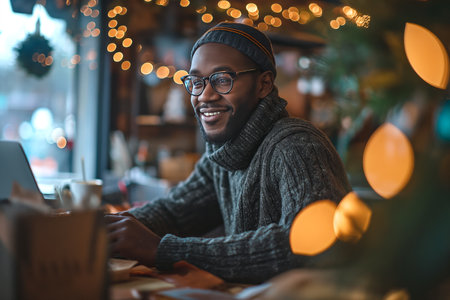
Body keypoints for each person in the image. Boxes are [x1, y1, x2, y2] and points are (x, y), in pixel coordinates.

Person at [105, 22, 351, 284]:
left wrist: (163, 250)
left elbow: (312, 242)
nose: (205, 95)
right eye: (197, 81)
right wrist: (106, 229)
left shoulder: (296, 145)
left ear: (264, 84)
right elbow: (175, 212)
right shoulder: (225, 153)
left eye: (223, 79)